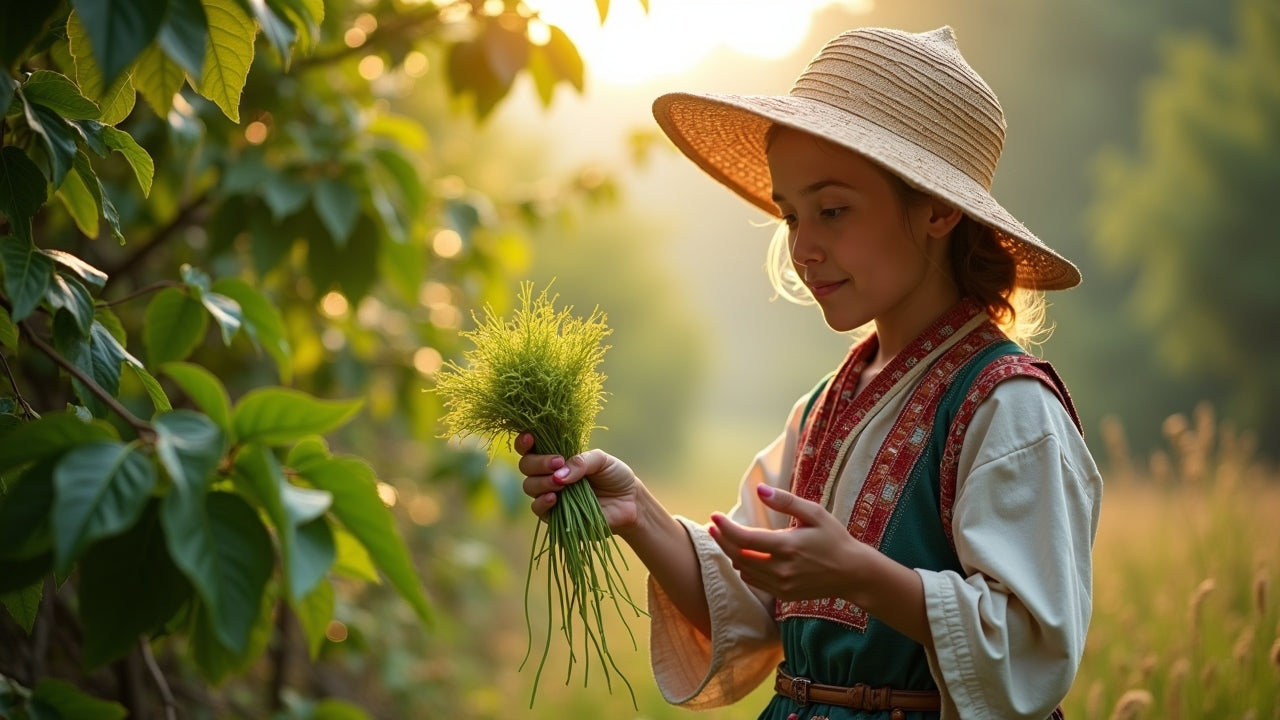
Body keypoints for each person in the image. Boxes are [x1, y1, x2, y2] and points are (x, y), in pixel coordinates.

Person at [517, 25, 1103, 720]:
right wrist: (634, 510)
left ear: (940, 209)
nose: (803, 248)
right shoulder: (825, 408)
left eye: (832, 211)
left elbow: (1034, 648)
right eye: (791, 216)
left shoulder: (1006, 408)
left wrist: (863, 576)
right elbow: (746, 603)